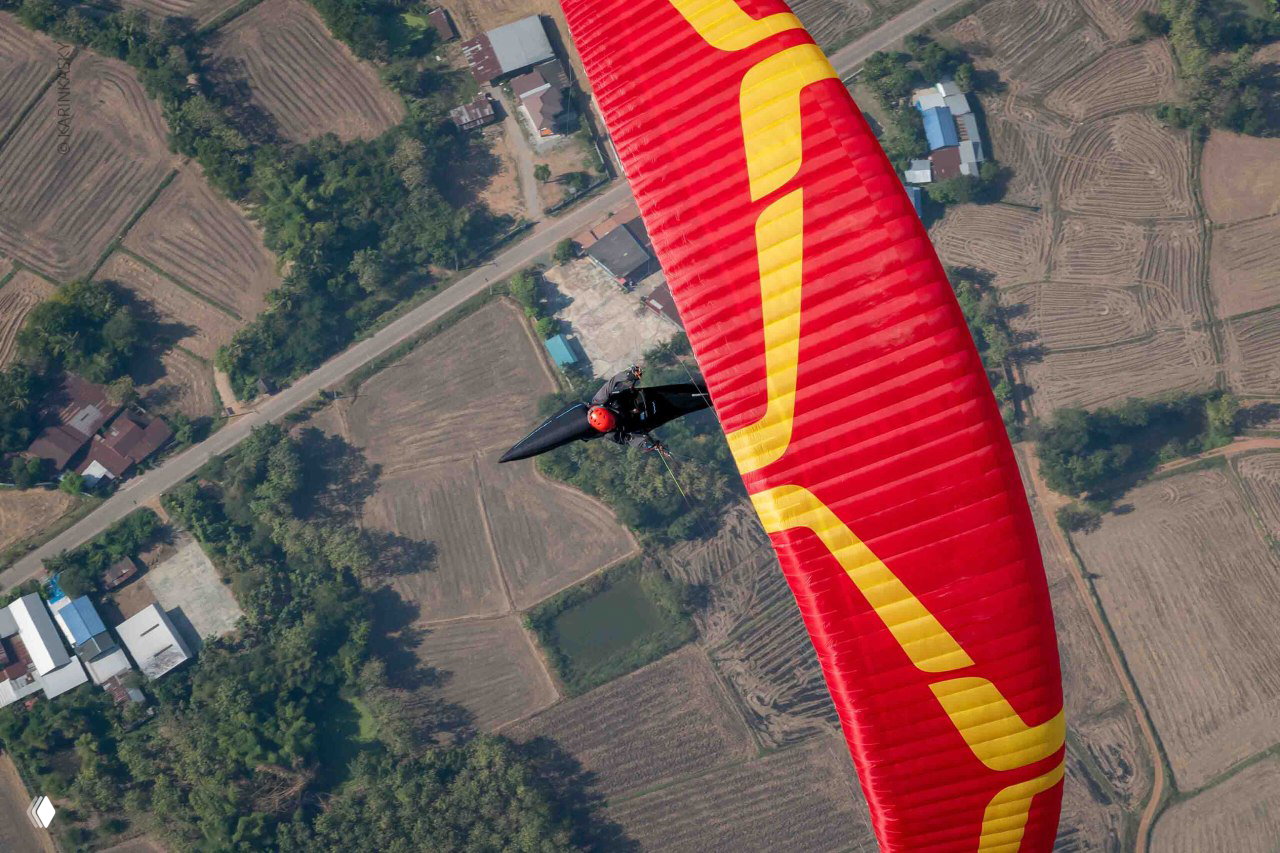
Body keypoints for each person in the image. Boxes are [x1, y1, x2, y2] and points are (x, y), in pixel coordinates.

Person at [588, 366, 666, 453]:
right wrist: (645, 444)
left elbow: (614, 381)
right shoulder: (610, 434)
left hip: (627, 401)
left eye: (612, 421)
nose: (613, 425)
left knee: (619, 396)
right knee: (629, 429)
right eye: (612, 426)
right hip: (631, 420)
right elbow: (628, 439)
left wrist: (630, 375)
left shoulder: (599, 399)